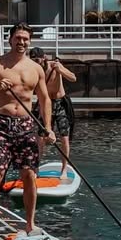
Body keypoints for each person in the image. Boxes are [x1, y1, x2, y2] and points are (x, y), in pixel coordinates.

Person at [0, 24, 55, 240]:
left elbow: (45, 99)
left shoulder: (36, 68)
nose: (22, 42)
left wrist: (48, 128)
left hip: (26, 124)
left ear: (30, 42)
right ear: (10, 39)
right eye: (18, 38)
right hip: (0, 122)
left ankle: (30, 223)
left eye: (25, 39)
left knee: (29, 175)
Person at [29, 46, 76, 177]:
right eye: (32, 60)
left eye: (37, 60)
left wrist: (61, 70)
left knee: (64, 138)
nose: (35, 63)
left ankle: (64, 170)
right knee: (39, 138)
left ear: (44, 58)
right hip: (44, 104)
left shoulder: (54, 65)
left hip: (60, 104)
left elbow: (73, 78)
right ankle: (36, 168)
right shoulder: (33, 70)